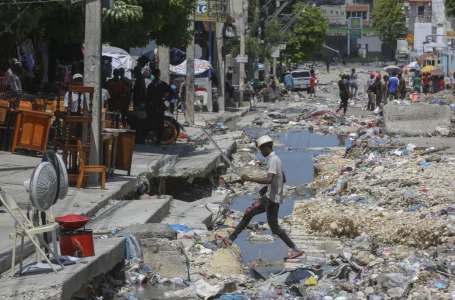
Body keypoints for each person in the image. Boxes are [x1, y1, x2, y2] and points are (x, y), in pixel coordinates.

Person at [228, 135, 304, 260]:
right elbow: (282, 178)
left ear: (266, 147)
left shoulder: (273, 160)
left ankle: (295, 249)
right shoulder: (274, 159)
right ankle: (231, 238)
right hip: (268, 196)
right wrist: (267, 188)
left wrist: (250, 178)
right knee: (249, 213)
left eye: (261, 150)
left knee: (274, 227)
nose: (261, 153)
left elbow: (269, 179)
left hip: (272, 200)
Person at [146, 69, 174, 145]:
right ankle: (152, 138)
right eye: (155, 74)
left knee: (160, 124)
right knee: (151, 123)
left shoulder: (163, 84)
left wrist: (166, 100)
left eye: (158, 74)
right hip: (152, 107)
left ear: (159, 75)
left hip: (160, 106)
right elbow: (148, 96)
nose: (156, 75)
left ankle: (159, 140)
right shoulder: (151, 84)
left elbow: (172, 92)